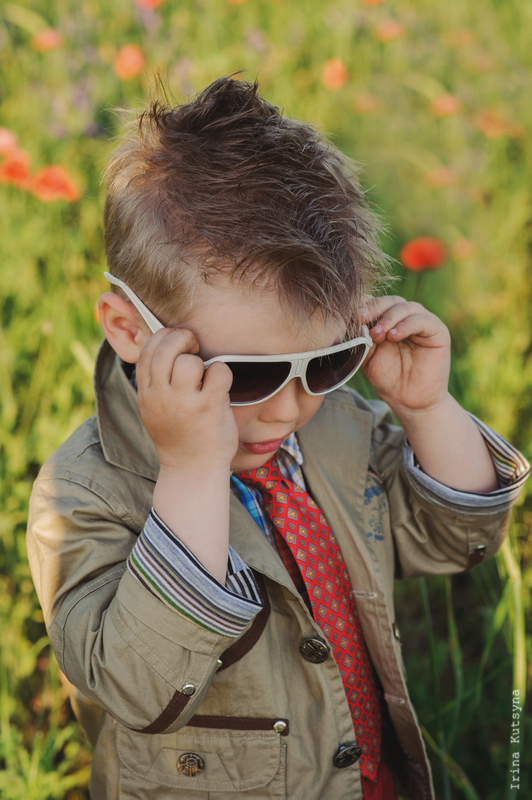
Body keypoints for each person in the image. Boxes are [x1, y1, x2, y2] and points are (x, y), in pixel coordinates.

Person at [27, 75, 529, 800]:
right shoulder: (83, 492)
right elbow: (140, 690)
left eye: (327, 360)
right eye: (249, 375)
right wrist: (192, 471)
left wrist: (426, 408)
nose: (290, 409)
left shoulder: (339, 426)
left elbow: (457, 541)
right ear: (131, 330)